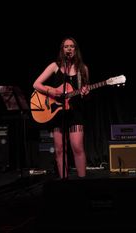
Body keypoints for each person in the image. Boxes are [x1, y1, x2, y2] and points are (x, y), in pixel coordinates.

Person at [33, 37, 90, 179]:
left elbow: (86, 93)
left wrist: (85, 92)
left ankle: (82, 182)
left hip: (75, 112)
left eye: (72, 46)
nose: (69, 49)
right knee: (59, 150)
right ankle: (64, 182)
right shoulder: (55, 66)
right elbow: (36, 84)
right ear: (62, 50)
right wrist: (50, 91)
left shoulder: (83, 69)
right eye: (66, 46)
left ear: (75, 50)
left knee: (77, 147)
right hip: (57, 113)